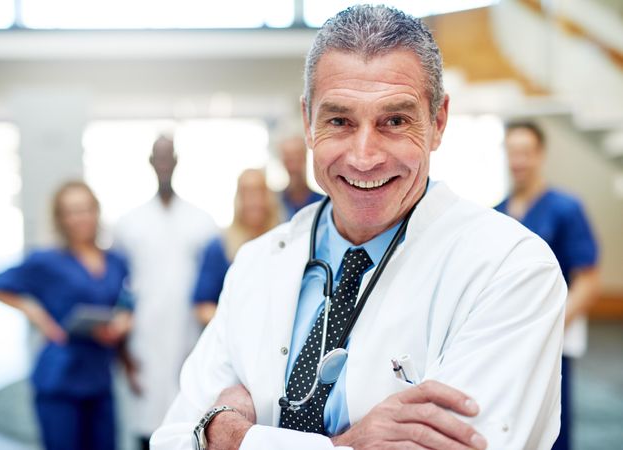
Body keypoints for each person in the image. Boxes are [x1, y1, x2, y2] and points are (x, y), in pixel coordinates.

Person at [151, 6, 567, 450]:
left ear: (439, 122)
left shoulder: (511, 268)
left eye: (395, 121)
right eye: (339, 121)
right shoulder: (257, 262)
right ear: (309, 121)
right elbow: (175, 438)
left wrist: (232, 436)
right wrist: (352, 444)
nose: (364, 157)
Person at [0, 181, 132, 450]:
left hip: (99, 374)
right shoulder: (46, 261)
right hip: (61, 375)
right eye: (72, 211)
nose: (81, 217)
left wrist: (123, 321)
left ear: (97, 211)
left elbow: (126, 300)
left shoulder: (115, 261)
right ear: (61, 218)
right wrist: (36, 313)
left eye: (86, 209)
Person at [495, 121, 600, 450]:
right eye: (512, 152)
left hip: (551, 340)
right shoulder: (497, 214)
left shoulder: (565, 209)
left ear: (540, 154)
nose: (518, 161)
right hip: (507, 342)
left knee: (550, 425)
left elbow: (589, 280)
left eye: (525, 152)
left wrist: (546, 328)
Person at [113, 135, 217, 449]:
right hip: (143, 339)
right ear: (149, 162)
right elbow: (119, 291)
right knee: (146, 422)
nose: (163, 164)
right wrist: (124, 353)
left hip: (189, 337)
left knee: (188, 426)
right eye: (158, 157)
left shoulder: (202, 222)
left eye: (168, 157)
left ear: (176, 162)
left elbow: (212, 288)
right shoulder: (128, 224)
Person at [192, 168, 281, 326]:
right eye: (246, 193)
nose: (253, 200)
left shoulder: (284, 240)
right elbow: (202, 306)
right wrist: (238, 326)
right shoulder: (219, 246)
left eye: (258, 192)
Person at [278, 135, 324, 219]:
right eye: (289, 160)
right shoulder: (275, 203)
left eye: (297, 158)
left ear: (305, 159)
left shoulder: (322, 204)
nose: (293, 167)